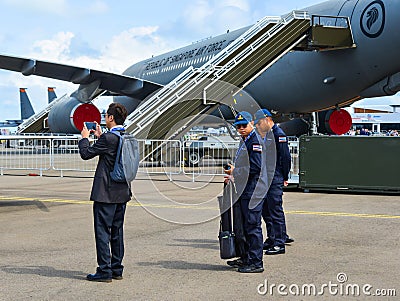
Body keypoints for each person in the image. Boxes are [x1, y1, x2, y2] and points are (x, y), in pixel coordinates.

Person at [78, 103, 132, 282]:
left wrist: (85, 138)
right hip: (122, 192)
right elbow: (111, 152)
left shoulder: (109, 138)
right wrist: (101, 136)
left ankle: (104, 270)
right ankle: (117, 269)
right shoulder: (125, 136)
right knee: (117, 231)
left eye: (106, 116)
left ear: (110, 118)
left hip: (106, 193)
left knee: (102, 232)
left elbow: (86, 154)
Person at [224, 111, 267, 273]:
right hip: (245, 189)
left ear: (252, 124)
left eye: (244, 125)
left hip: (253, 190)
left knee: (252, 226)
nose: (241, 128)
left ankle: (256, 262)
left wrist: (236, 171)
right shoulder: (245, 141)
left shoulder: (254, 141)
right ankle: (246, 257)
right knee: (243, 226)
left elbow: (255, 167)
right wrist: (233, 176)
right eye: (238, 126)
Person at [254, 109, 293, 256]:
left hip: (275, 177)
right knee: (266, 210)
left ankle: (279, 243)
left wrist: (284, 176)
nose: (257, 126)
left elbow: (285, 157)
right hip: (265, 177)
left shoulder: (278, 135)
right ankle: (272, 237)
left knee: (275, 210)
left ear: (267, 119)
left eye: (259, 123)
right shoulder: (265, 135)